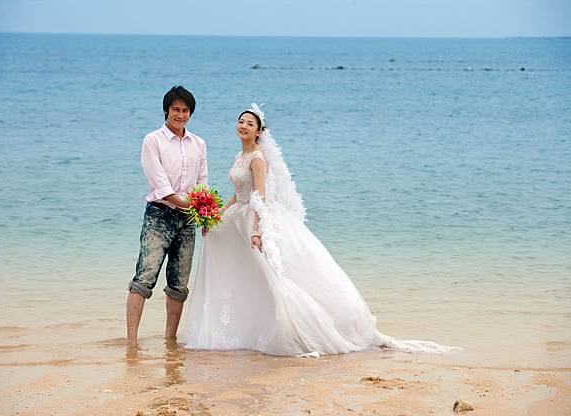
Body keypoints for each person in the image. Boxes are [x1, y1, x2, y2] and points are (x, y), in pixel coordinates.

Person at [181, 104, 460, 356]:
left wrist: (257, 231)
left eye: (249, 124)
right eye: (241, 121)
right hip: (240, 213)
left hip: (256, 218)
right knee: (246, 273)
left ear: (258, 132)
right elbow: (240, 193)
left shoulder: (257, 159)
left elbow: (260, 198)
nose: (243, 126)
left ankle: (291, 330)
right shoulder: (240, 155)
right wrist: (217, 215)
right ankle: (245, 328)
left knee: (271, 276)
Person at [126, 86, 208, 348]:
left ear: (190, 113)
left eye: (185, 111)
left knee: (179, 285)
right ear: (166, 110)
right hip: (159, 216)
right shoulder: (153, 140)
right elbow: (161, 186)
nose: (180, 115)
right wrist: (190, 207)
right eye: (176, 110)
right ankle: (131, 343)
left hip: (188, 221)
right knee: (144, 278)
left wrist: (204, 215)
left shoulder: (199, 144)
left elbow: (202, 183)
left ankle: (170, 342)